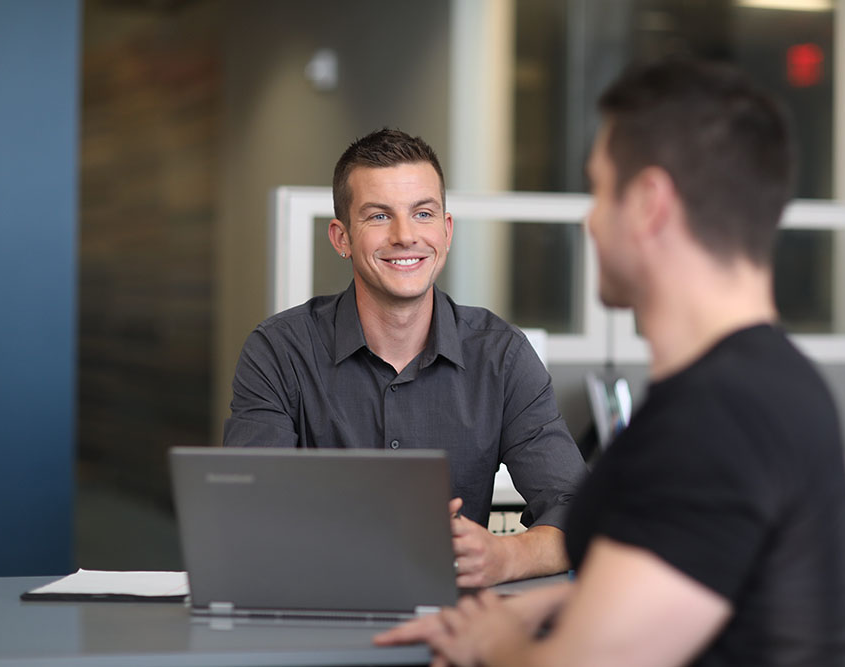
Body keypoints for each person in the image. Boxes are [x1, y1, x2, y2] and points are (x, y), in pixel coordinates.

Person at [375, 59, 845, 666]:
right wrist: (538, 607)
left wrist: (491, 642)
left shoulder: (719, 417)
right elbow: (696, 591)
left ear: (651, 205)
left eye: (601, 191)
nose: (590, 220)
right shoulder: (766, 385)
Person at [224, 128, 587, 587]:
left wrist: (507, 556)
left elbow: (580, 510)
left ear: (446, 230)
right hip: (313, 613)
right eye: (378, 216)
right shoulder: (278, 352)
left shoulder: (502, 356)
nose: (405, 236)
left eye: (423, 213)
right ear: (341, 237)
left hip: (451, 629)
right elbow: (247, 513)